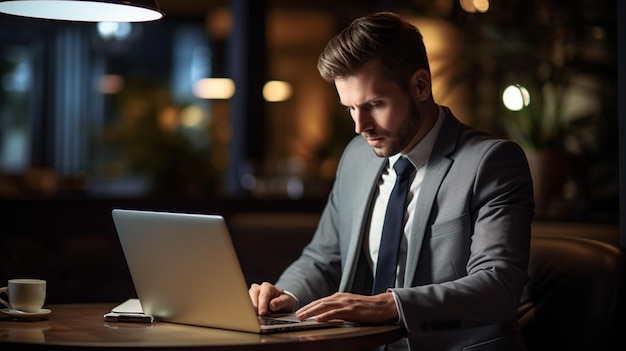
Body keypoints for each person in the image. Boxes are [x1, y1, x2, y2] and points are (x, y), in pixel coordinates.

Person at [249, 12, 534, 351]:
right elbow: (323, 258)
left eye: (374, 104)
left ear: (420, 85)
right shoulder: (357, 156)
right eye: (350, 109)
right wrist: (285, 296)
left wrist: (389, 305)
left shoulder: (491, 162)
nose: (360, 126)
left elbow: (498, 287)